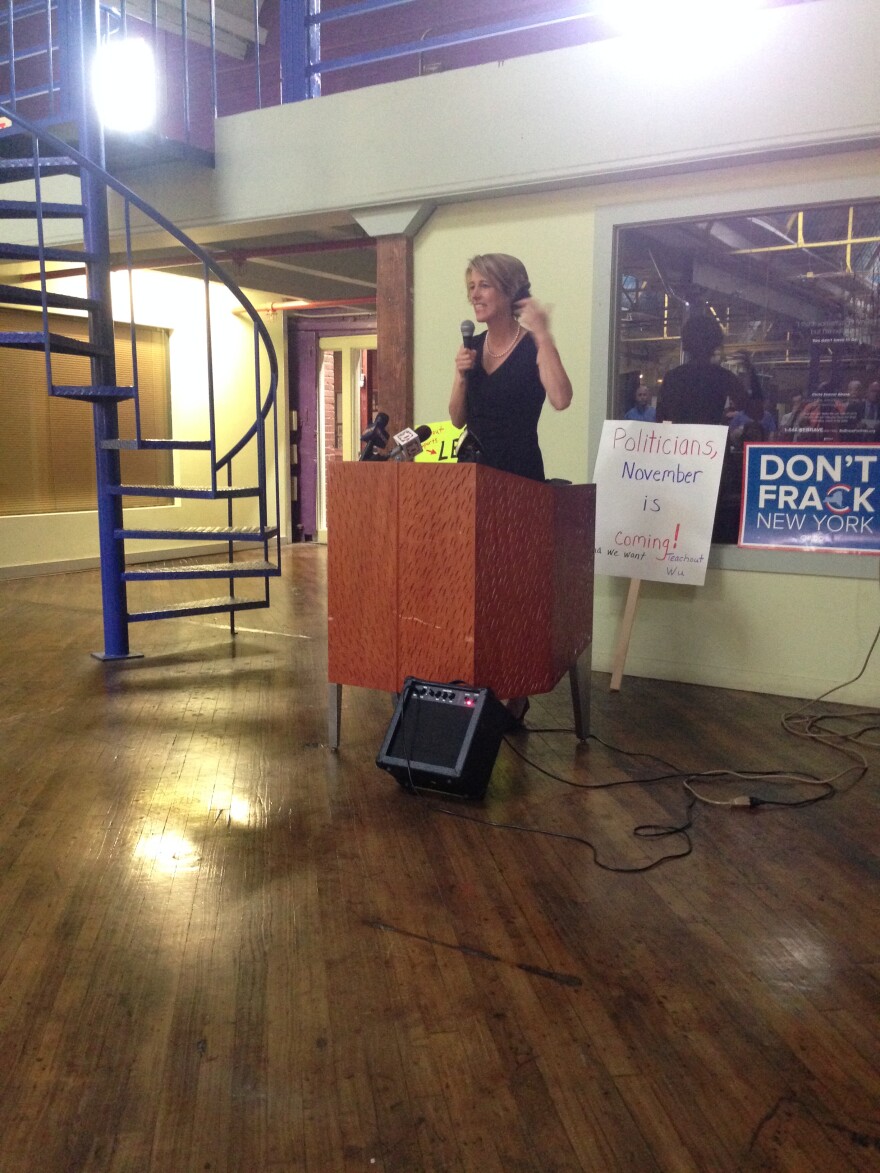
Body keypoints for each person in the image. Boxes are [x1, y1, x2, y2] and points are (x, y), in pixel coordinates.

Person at [450, 253, 572, 482]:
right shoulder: (472, 345)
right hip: (472, 477)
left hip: (519, 478)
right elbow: (457, 420)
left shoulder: (535, 345)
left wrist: (543, 334)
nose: (474, 295)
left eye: (484, 285)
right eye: (471, 287)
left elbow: (561, 399)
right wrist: (460, 376)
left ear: (510, 292)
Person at [655, 315, 741, 425]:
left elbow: (661, 418)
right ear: (714, 344)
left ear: (686, 344)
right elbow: (756, 412)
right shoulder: (723, 377)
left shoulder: (672, 377)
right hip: (710, 440)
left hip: (679, 439)